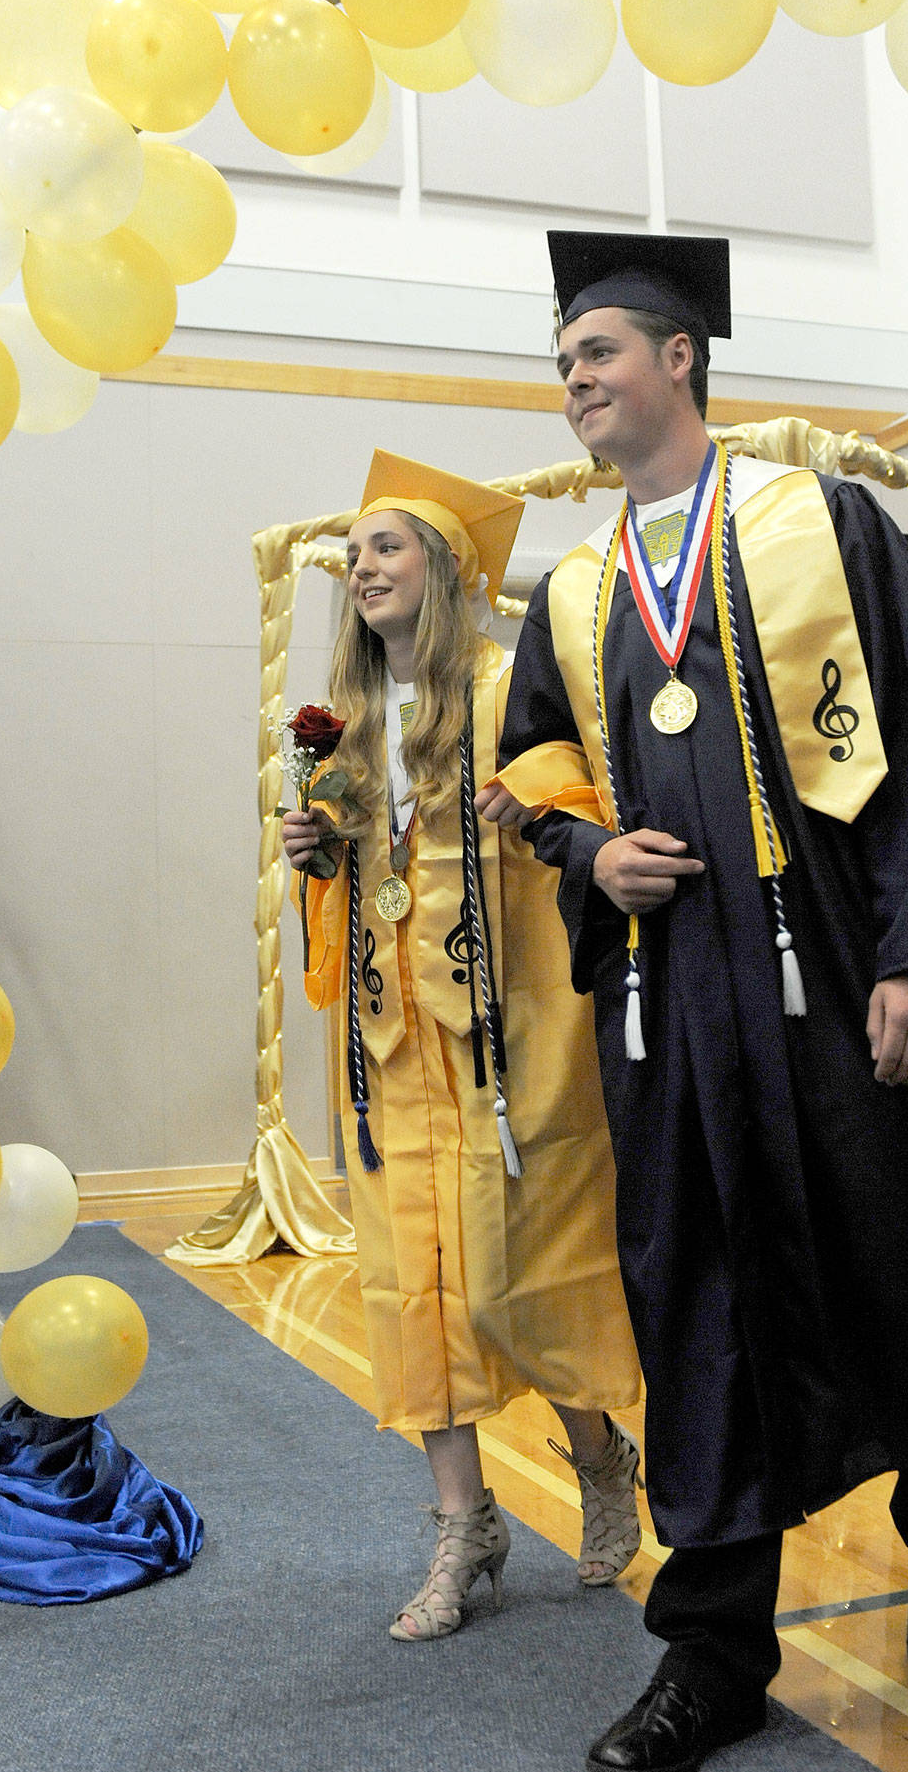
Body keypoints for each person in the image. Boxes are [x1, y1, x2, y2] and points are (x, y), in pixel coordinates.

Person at [477, 232, 908, 1771]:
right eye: (561, 367)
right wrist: (589, 848)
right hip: (679, 999)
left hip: (842, 958)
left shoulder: (819, 520)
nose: (576, 385)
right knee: (705, 1294)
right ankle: (716, 1649)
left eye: (597, 355)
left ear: (679, 358)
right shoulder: (572, 590)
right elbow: (537, 768)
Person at [281, 449, 643, 1643]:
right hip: (392, 1053)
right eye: (357, 551)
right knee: (413, 1295)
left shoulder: (505, 688)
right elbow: (341, 910)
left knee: (510, 1276)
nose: (363, 564)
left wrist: (527, 810)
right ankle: (463, 1520)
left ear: (444, 570)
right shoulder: (338, 729)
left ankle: (597, 1449)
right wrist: (318, 860)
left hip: (507, 1040)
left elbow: (577, 814)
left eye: (388, 545)